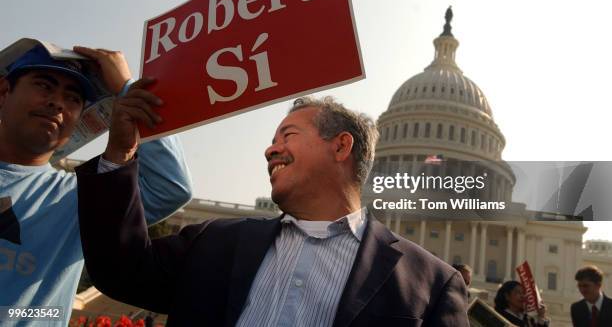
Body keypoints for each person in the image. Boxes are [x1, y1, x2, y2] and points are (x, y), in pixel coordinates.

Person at [76, 96, 469, 326]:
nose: (270, 149)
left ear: (340, 147)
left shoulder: (430, 286)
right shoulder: (215, 242)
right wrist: (120, 153)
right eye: (271, 139)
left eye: (288, 135)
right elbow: (121, 270)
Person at [0, 43, 192, 324]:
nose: (58, 103)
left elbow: (169, 187)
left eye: (73, 98)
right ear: (4, 92)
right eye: (44, 85)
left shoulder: (81, 198)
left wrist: (128, 89)